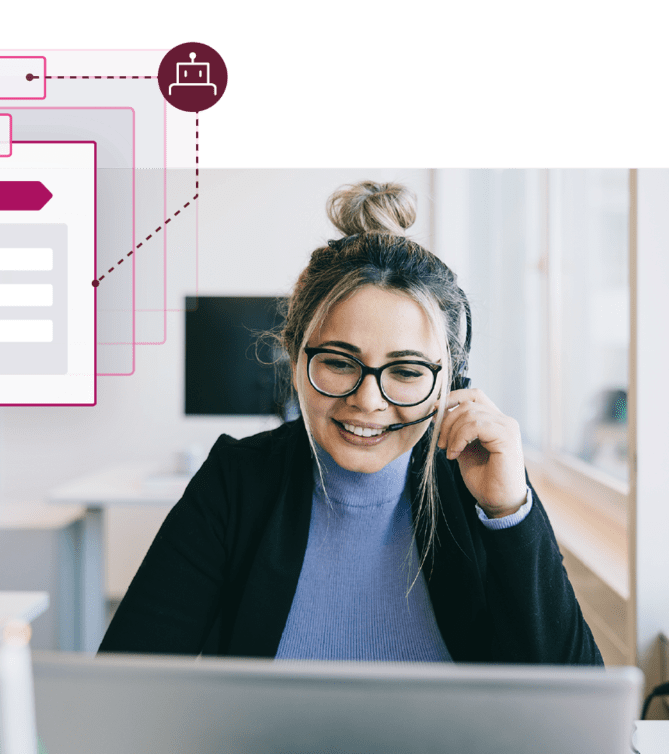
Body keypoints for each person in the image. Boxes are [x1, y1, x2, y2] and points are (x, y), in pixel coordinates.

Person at [99, 181, 602, 665]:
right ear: (295, 356)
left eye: (406, 371)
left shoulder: (476, 488)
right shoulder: (237, 482)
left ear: (453, 380)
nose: (367, 400)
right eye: (340, 362)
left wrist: (510, 513)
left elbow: (579, 705)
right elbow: (124, 686)